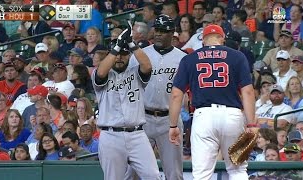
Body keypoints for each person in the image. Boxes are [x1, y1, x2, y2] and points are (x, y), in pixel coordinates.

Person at [169, 24, 256, 179]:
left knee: (202, 174)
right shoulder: (237, 56)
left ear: (203, 40)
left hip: (203, 116)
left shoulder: (189, 59)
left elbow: (176, 94)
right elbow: (248, 92)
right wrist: (251, 124)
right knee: (237, 170)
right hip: (232, 115)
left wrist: (173, 125)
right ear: (222, 39)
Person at [92, 22, 160, 179]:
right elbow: (101, 71)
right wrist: (116, 49)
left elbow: (147, 66)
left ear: (129, 55)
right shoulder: (101, 73)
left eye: (124, 54)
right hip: (111, 135)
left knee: (153, 175)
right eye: (117, 55)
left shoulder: (136, 73)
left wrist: (131, 44)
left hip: (137, 135)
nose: (120, 58)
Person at [129, 14, 186, 180]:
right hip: (142, 117)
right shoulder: (140, 55)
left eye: (164, 30)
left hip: (170, 120)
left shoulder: (182, 58)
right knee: (133, 170)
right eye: (157, 30)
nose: (159, 34)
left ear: (172, 33)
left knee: (174, 172)